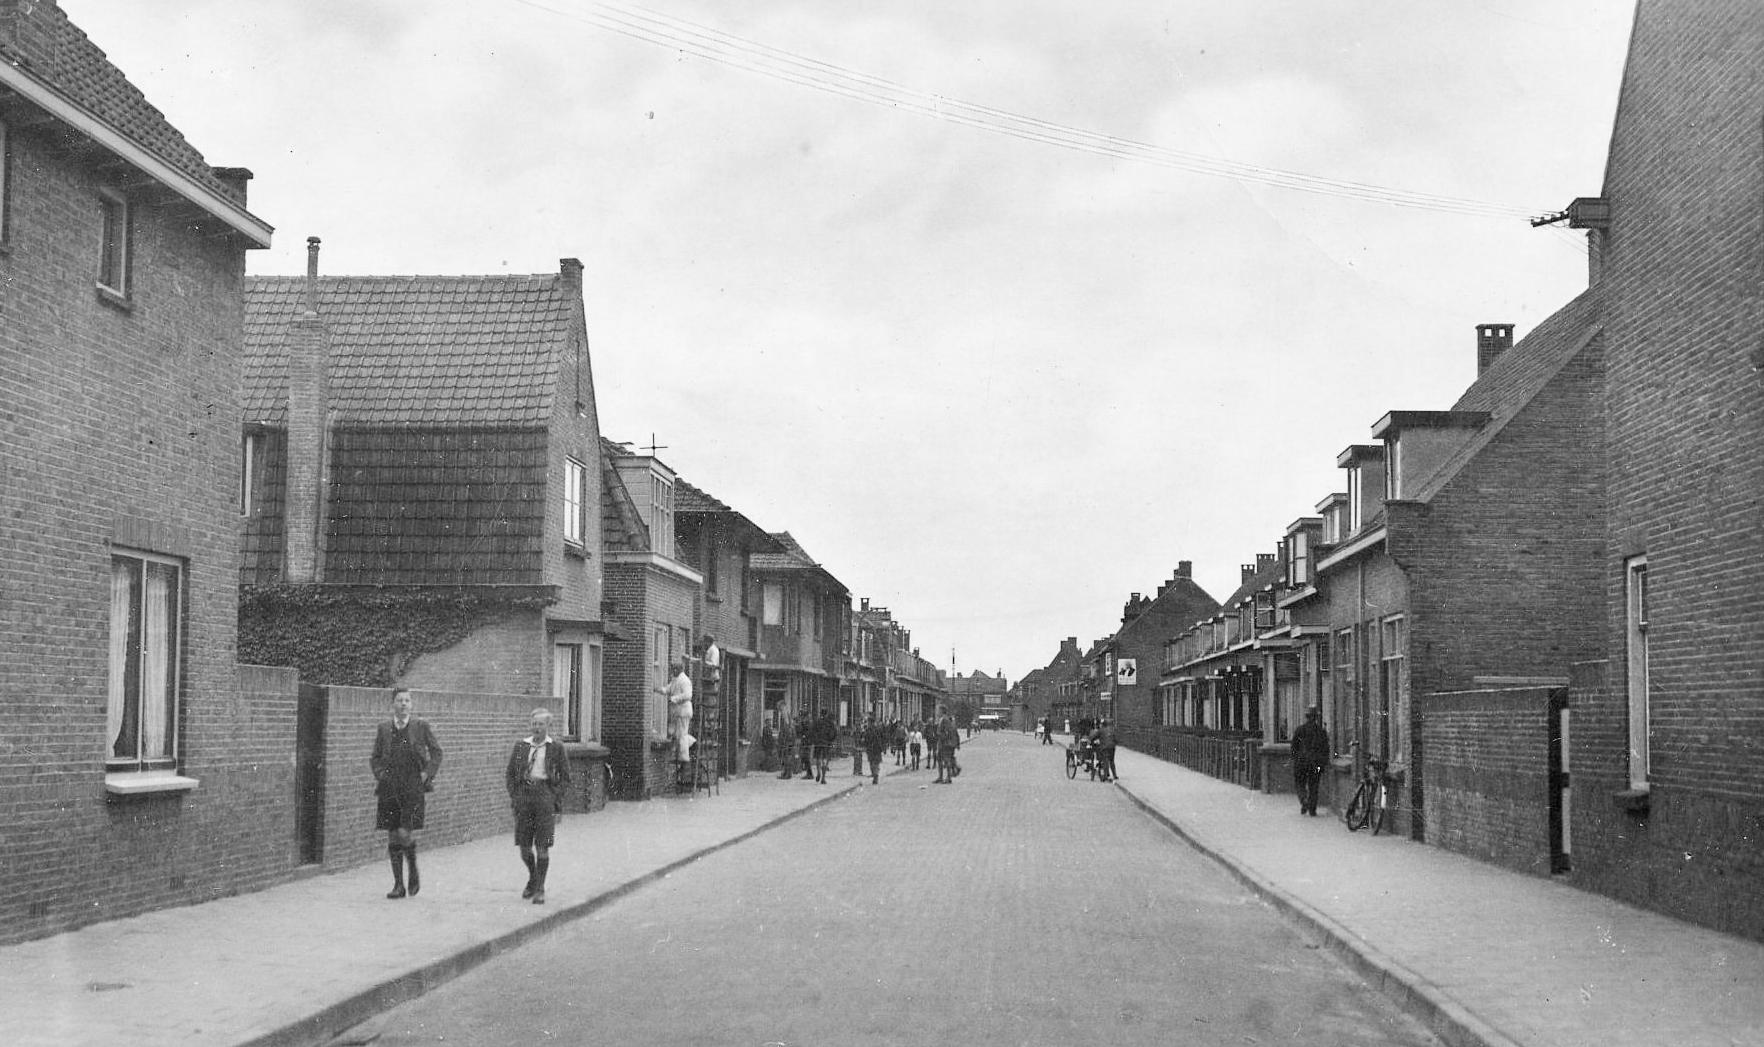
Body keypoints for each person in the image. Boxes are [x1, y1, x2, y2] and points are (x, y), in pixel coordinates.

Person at [370, 689, 444, 900]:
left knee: (404, 832)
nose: (403, 704)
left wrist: (427, 773)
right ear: (393, 704)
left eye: (407, 700)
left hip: (413, 786)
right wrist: (380, 774)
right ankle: (398, 885)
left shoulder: (421, 726)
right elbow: (375, 757)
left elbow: (437, 752)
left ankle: (412, 867)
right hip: (390, 787)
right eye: (399, 700)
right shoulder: (384, 728)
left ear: (411, 704)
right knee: (393, 834)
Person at [506, 708, 571, 904]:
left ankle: (540, 887)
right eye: (534, 724)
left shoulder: (556, 748)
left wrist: (554, 797)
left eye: (541, 724)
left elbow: (566, 777)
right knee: (524, 847)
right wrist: (516, 796)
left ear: (548, 726)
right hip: (524, 797)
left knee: (542, 846)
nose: (536, 728)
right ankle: (533, 878)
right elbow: (510, 774)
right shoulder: (521, 746)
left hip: (544, 798)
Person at [1291, 705, 1330, 817]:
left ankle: (1304, 799)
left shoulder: (1300, 730)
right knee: (1314, 785)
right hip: (1315, 763)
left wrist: (1295, 758)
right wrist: (1323, 763)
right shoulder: (1321, 732)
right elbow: (1325, 749)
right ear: (1316, 718)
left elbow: (1294, 746)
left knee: (1300, 783)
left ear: (1307, 717)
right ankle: (1312, 809)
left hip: (1301, 762)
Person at [655, 662, 694, 763]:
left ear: (679, 670)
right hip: (678, 711)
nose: (673, 671)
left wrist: (674, 698)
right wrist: (658, 689)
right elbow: (668, 689)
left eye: (675, 669)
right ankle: (689, 748)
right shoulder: (675, 680)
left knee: (682, 734)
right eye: (673, 669)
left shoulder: (685, 680)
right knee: (677, 734)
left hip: (683, 710)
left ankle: (684, 758)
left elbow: (688, 695)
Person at [1089, 718, 1119, 782]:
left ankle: (1106, 775)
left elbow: (1094, 737)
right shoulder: (1112, 730)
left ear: (1103, 724)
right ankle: (1115, 775)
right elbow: (1116, 739)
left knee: (1105, 761)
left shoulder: (1101, 730)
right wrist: (1114, 743)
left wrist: (1090, 740)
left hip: (1104, 747)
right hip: (1112, 747)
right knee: (1112, 761)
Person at [934, 715, 961, 784]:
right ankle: (952, 770)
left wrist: (939, 734)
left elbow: (945, 735)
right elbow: (957, 736)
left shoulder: (946, 725)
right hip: (950, 745)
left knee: (946, 760)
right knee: (944, 759)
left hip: (945, 745)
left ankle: (947, 777)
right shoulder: (953, 726)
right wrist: (957, 745)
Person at [862, 716, 887, 784]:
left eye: (869, 722)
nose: (868, 723)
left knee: (873, 762)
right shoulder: (876, 729)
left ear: (871, 722)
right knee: (874, 762)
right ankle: (875, 774)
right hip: (875, 748)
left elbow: (866, 739)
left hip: (873, 748)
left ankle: (875, 775)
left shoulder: (871, 730)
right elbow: (883, 738)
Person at [775, 714, 797, 779]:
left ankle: (787, 774)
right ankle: (785, 773)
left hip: (787, 745)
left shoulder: (789, 728)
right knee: (785, 759)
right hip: (786, 745)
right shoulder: (788, 727)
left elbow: (789, 737)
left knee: (787, 760)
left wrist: (784, 743)